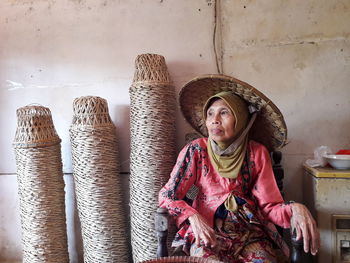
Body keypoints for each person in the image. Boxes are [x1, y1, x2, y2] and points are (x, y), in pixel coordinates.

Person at [159, 75, 320, 262]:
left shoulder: (257, 152)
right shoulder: (195, 150)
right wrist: (193, 217)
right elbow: (168, 196)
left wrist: (296, 208)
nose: (214, 120)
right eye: (210, 113)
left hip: (250, 233)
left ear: (241, 119)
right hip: (208, 233)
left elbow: (269, 206)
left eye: (224, 112)